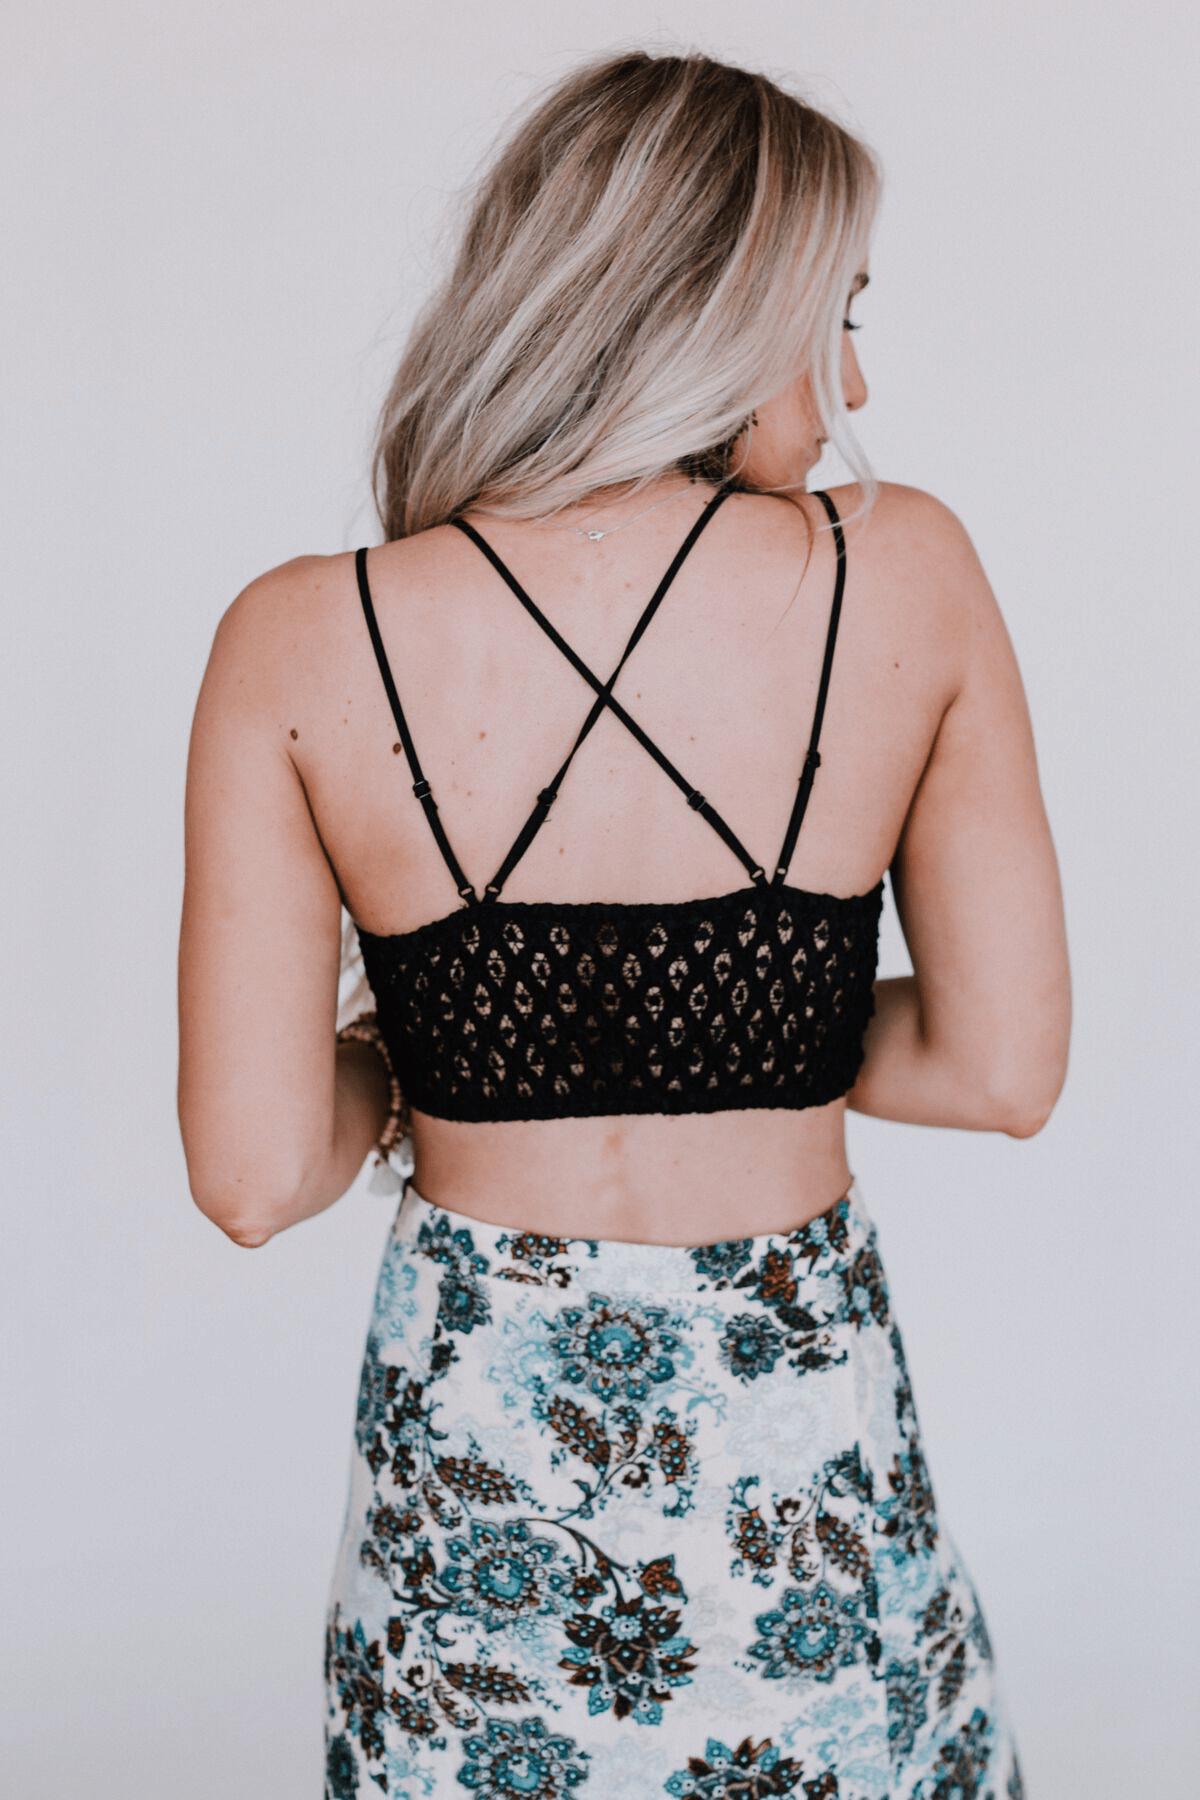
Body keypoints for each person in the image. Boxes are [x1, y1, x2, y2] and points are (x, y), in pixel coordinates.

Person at [177, 48, 1069, 1800]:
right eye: (836, 316)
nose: (856, 379)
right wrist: (749, 1034)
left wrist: (436, 1050)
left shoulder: (298, 637)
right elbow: (1000, 1069)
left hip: (479, 1482)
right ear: (716, 306)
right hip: (800, 1457)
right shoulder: (899, 570)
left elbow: (258, 1173)